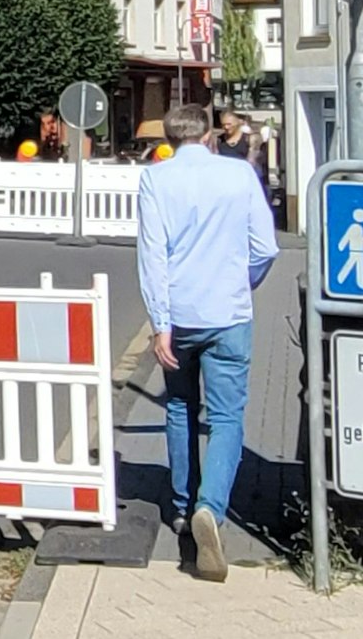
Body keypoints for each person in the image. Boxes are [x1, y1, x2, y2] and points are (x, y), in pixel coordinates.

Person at [136, 103, 279, 582]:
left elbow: (152, 255)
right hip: (228, 311)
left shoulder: (155, 180)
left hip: (180, 314)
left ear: (170, 139)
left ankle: (181, 507)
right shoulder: (238, 176)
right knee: (227, 416)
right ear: (210, 136)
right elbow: (266, 247)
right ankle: (211, 509)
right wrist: (244, 282)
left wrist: (160, 322)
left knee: (179, 407)